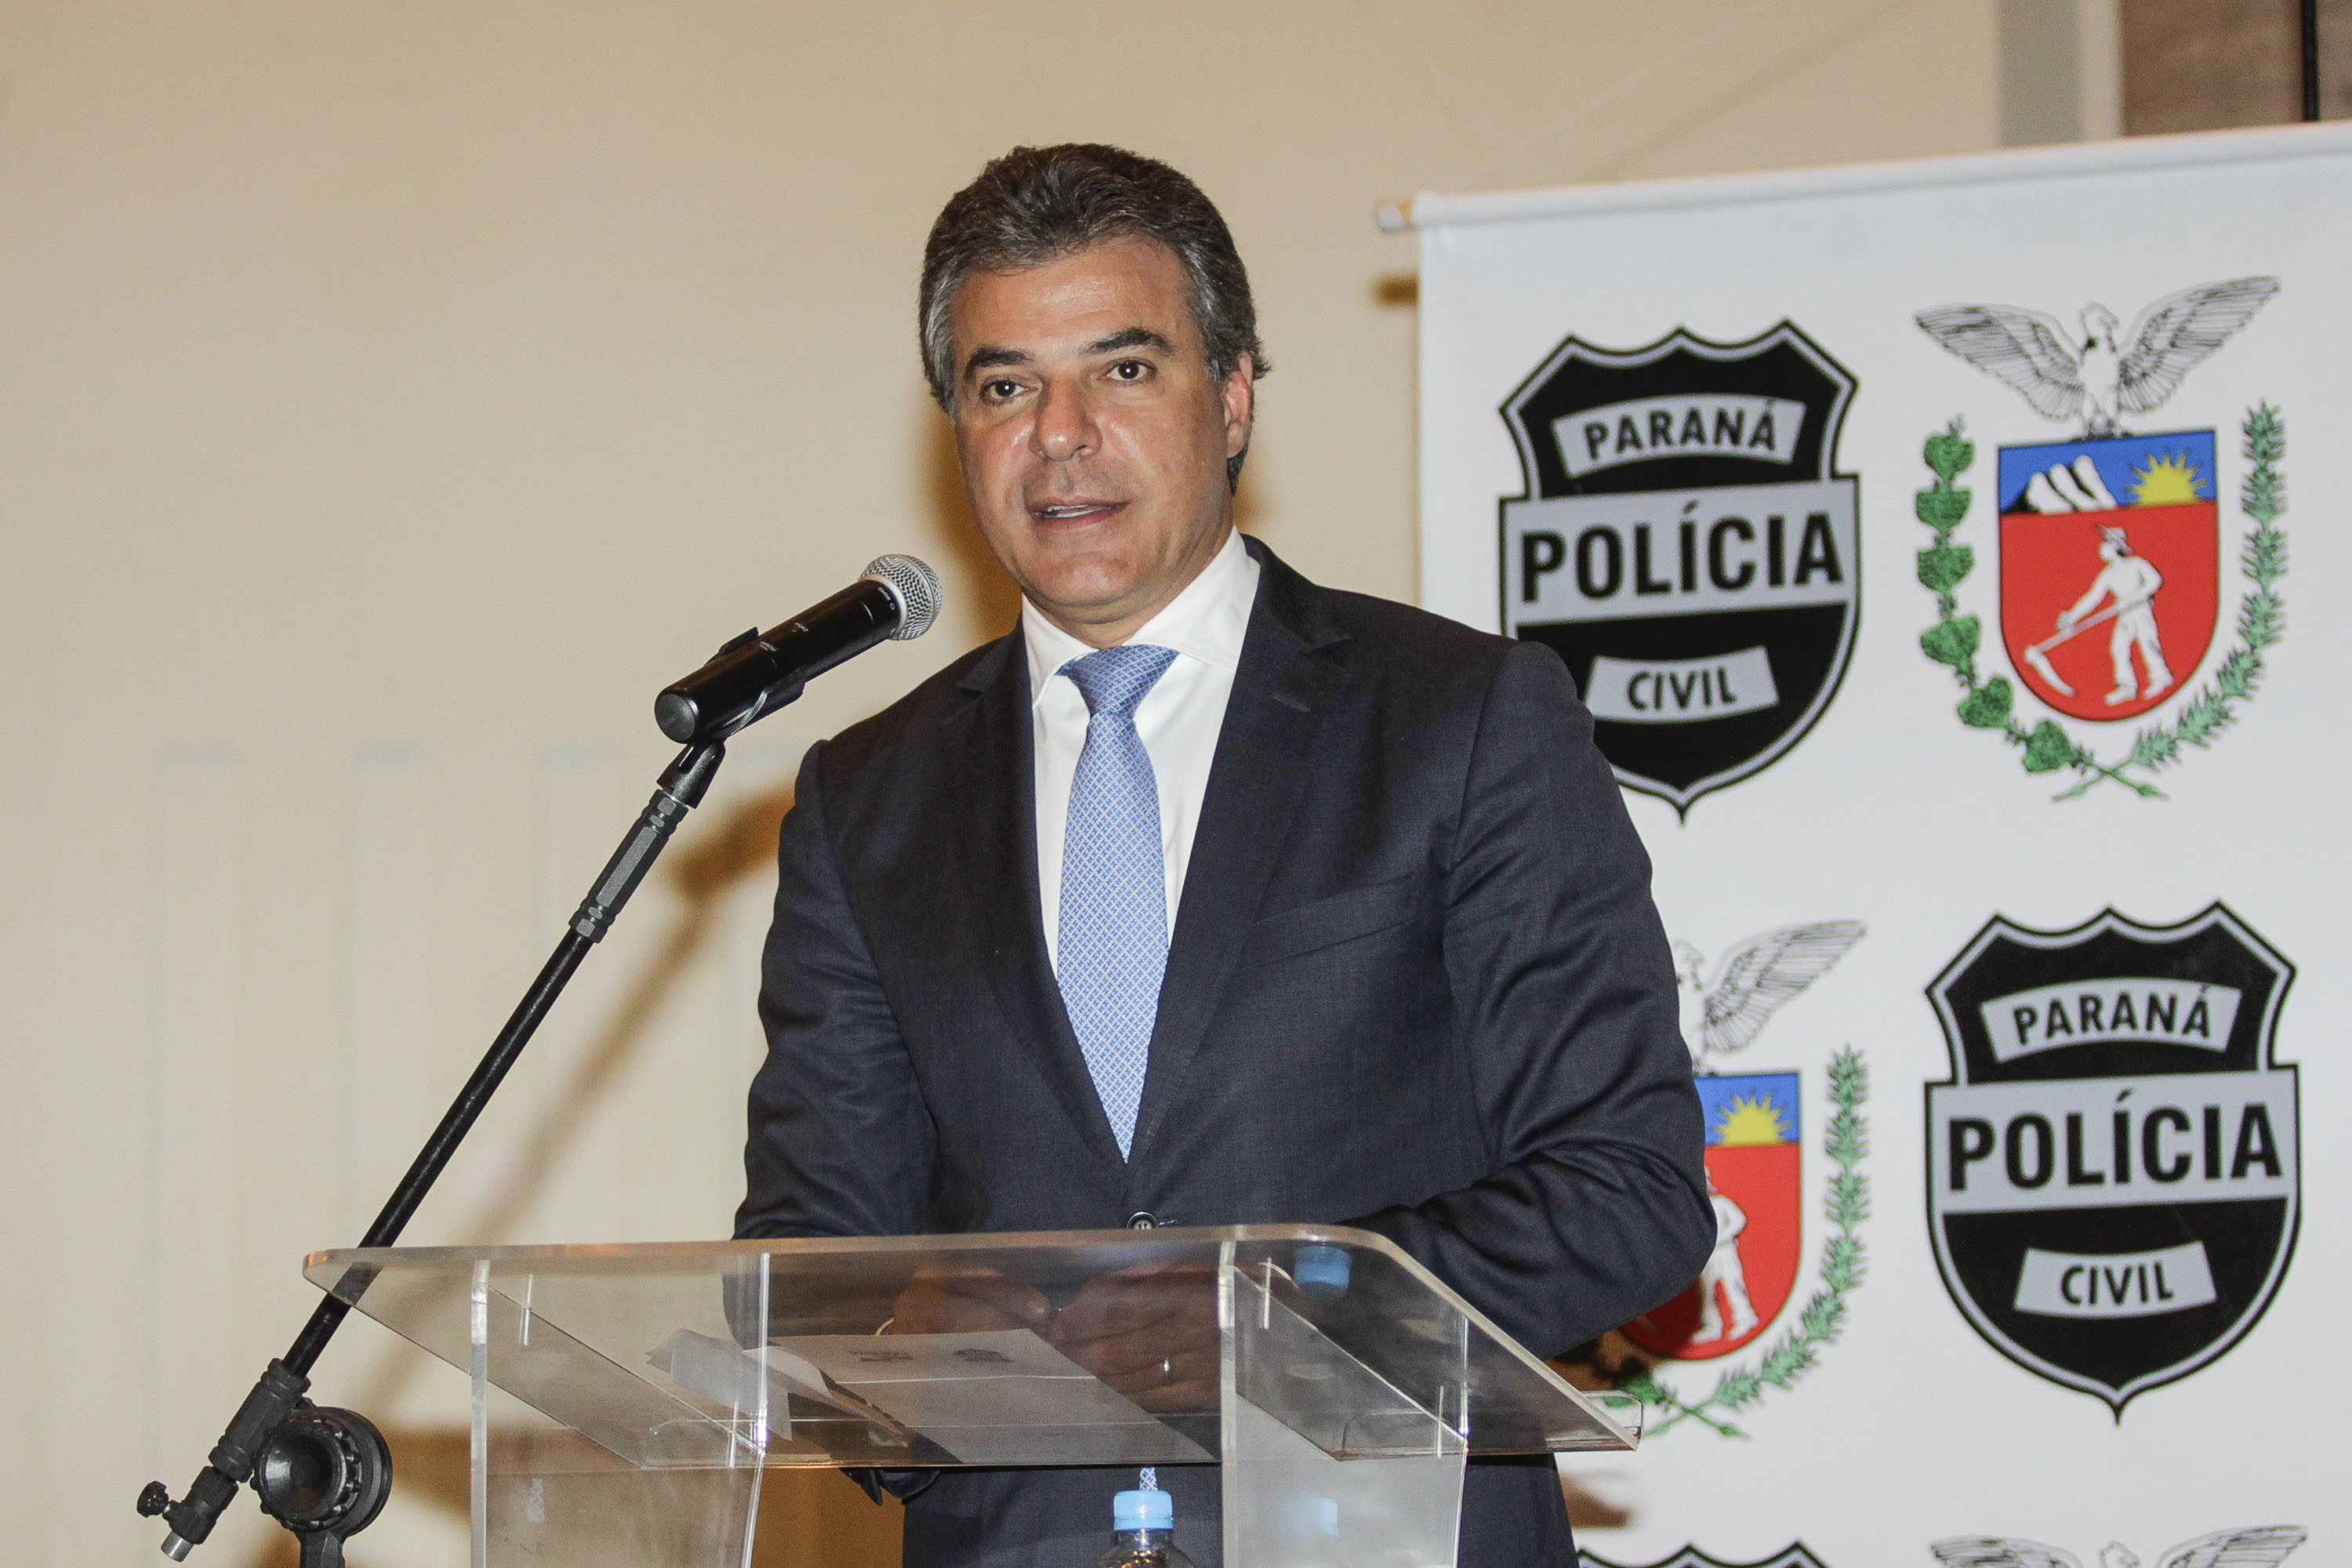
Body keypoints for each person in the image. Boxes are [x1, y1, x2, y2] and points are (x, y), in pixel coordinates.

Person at [736, 143, 1711, 1568]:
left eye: (1124, 370)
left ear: (1237, 394)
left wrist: (1267, 1314)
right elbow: (810, 1267)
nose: (1060, 435)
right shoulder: (866, 797)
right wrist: (888, 1343)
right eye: (1005, 387)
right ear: (958, 429)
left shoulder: (1458, 719)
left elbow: (1627, 1192)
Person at [2057, 524, 2172, 705]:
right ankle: (2126, 687)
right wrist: (2072, 616)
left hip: (2140, 609)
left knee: (2147, 643)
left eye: (2105, 543)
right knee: (2119, 647)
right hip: (2124, 614)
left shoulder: (2136, 564)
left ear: (2115, 546)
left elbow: (2155, 580)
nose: (2100, 547)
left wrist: (2134, 597)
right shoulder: (2108, 574)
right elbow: (2093, 597)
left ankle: (2161, 678)